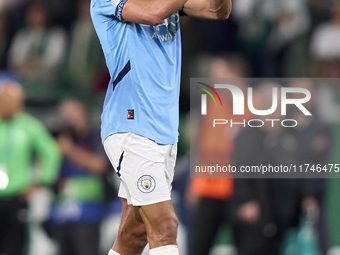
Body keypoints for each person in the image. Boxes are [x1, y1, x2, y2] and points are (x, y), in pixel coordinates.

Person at [90, 1, 232, 255]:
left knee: (134, 235)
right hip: (131, 127)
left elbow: (218, 10)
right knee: (166, 225)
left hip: (164, 132)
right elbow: (153, 15)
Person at [0, 79, 61, 255]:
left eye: (18, 102)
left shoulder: (28, 125)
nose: (15, 106)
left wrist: (40, 181)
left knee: (14, 247)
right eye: (9, 101)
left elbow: (51, 154)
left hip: (16, 197)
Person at [47, 99, 109, 255]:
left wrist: (70, 151)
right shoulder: (56, 139)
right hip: (60, 214)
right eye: (65, 114)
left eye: (73, 113)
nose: (69, 118)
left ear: (84, 114)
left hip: (88, 215)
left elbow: (99, 165)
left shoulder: (96, 136)